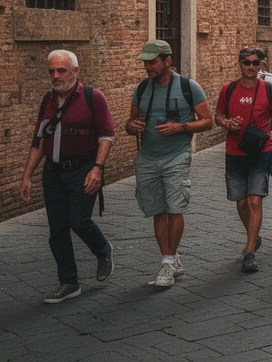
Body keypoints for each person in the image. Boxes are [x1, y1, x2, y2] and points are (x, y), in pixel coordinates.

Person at [19, 50, 115, 303]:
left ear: (75, 71)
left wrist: (98, 168)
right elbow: (39, 141)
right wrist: (26, 177)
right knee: (57, 229)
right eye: (51, 71)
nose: (55, 76)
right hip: (53, 172)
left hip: (83, 169)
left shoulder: (93, 97)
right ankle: (69, 282)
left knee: (79, 220)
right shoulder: (47, 101)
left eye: (61, 70)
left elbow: (107, 135)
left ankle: (103, 249)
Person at [124, 40, 212, 288]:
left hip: (177, 156)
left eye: (152, 62)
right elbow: (130, 123)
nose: (147, 67)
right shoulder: (142, 88)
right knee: (158, 210)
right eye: (145, 63)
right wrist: (132, 126)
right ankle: (171, 258)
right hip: (147, 157)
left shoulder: (188, 87)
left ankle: (167, 262)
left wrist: (180, 127)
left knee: (175, 208)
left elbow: (208, 121)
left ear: (168, 60)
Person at [214, 48, 272, 273]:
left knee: (255, 200)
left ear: (261, 66)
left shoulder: (270, 90)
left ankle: (249, 251)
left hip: (261, 152)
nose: (251, 67)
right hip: (234, 151)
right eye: (247, 63)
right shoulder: (228, 89)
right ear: (240, 64)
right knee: (241, 202)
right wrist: (227, 123)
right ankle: (254, 235)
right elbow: (218, 116)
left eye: (256, 63)